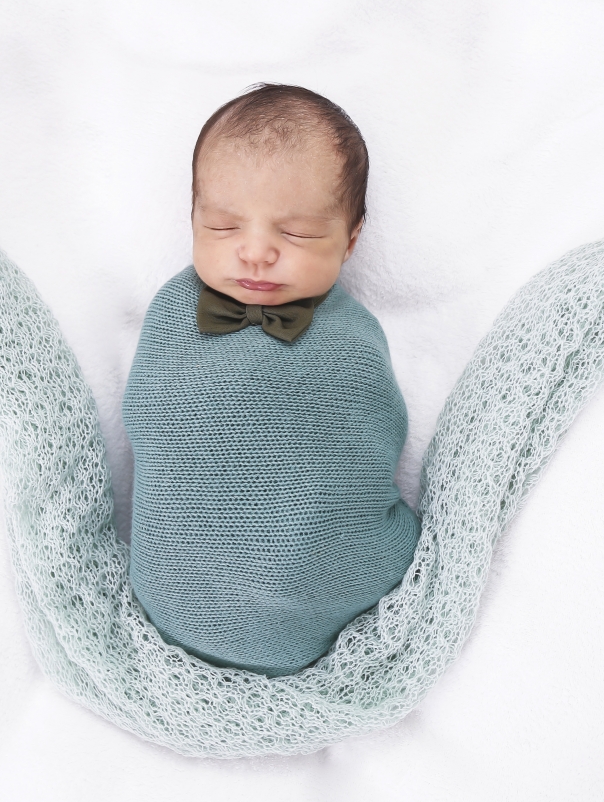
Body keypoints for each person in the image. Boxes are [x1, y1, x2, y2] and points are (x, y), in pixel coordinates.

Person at [122, 84, 420, 677]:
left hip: (333, 604)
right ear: (192, 220)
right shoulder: (172, 312)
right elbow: (150, 421)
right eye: (223, 226)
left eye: (298, 233)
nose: (256, 252)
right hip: (175, 598)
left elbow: (372, 443)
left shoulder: (353, 338)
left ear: (351, 239)